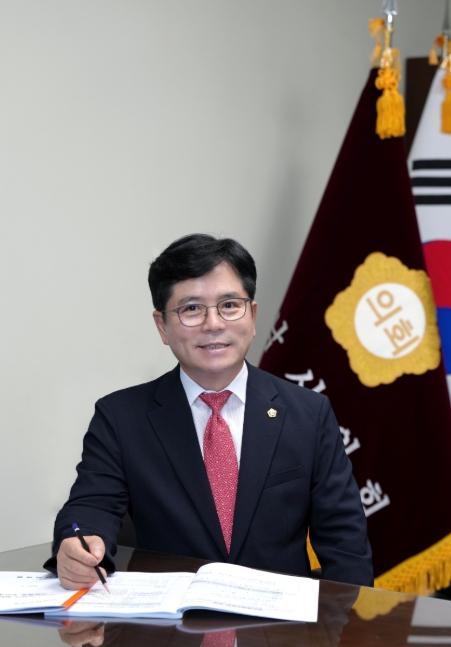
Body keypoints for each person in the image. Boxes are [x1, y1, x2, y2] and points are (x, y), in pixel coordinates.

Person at [45, 234, 373, 589]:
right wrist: (78, 542)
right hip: (171, 617)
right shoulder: (121, 417)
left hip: (278, 617)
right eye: (191, 309)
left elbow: (345, 543)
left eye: (229, 305)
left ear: (253, 315)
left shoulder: (309, 413)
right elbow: (91, 506)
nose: (213, 323)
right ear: (162, 326)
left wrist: (347, 620)